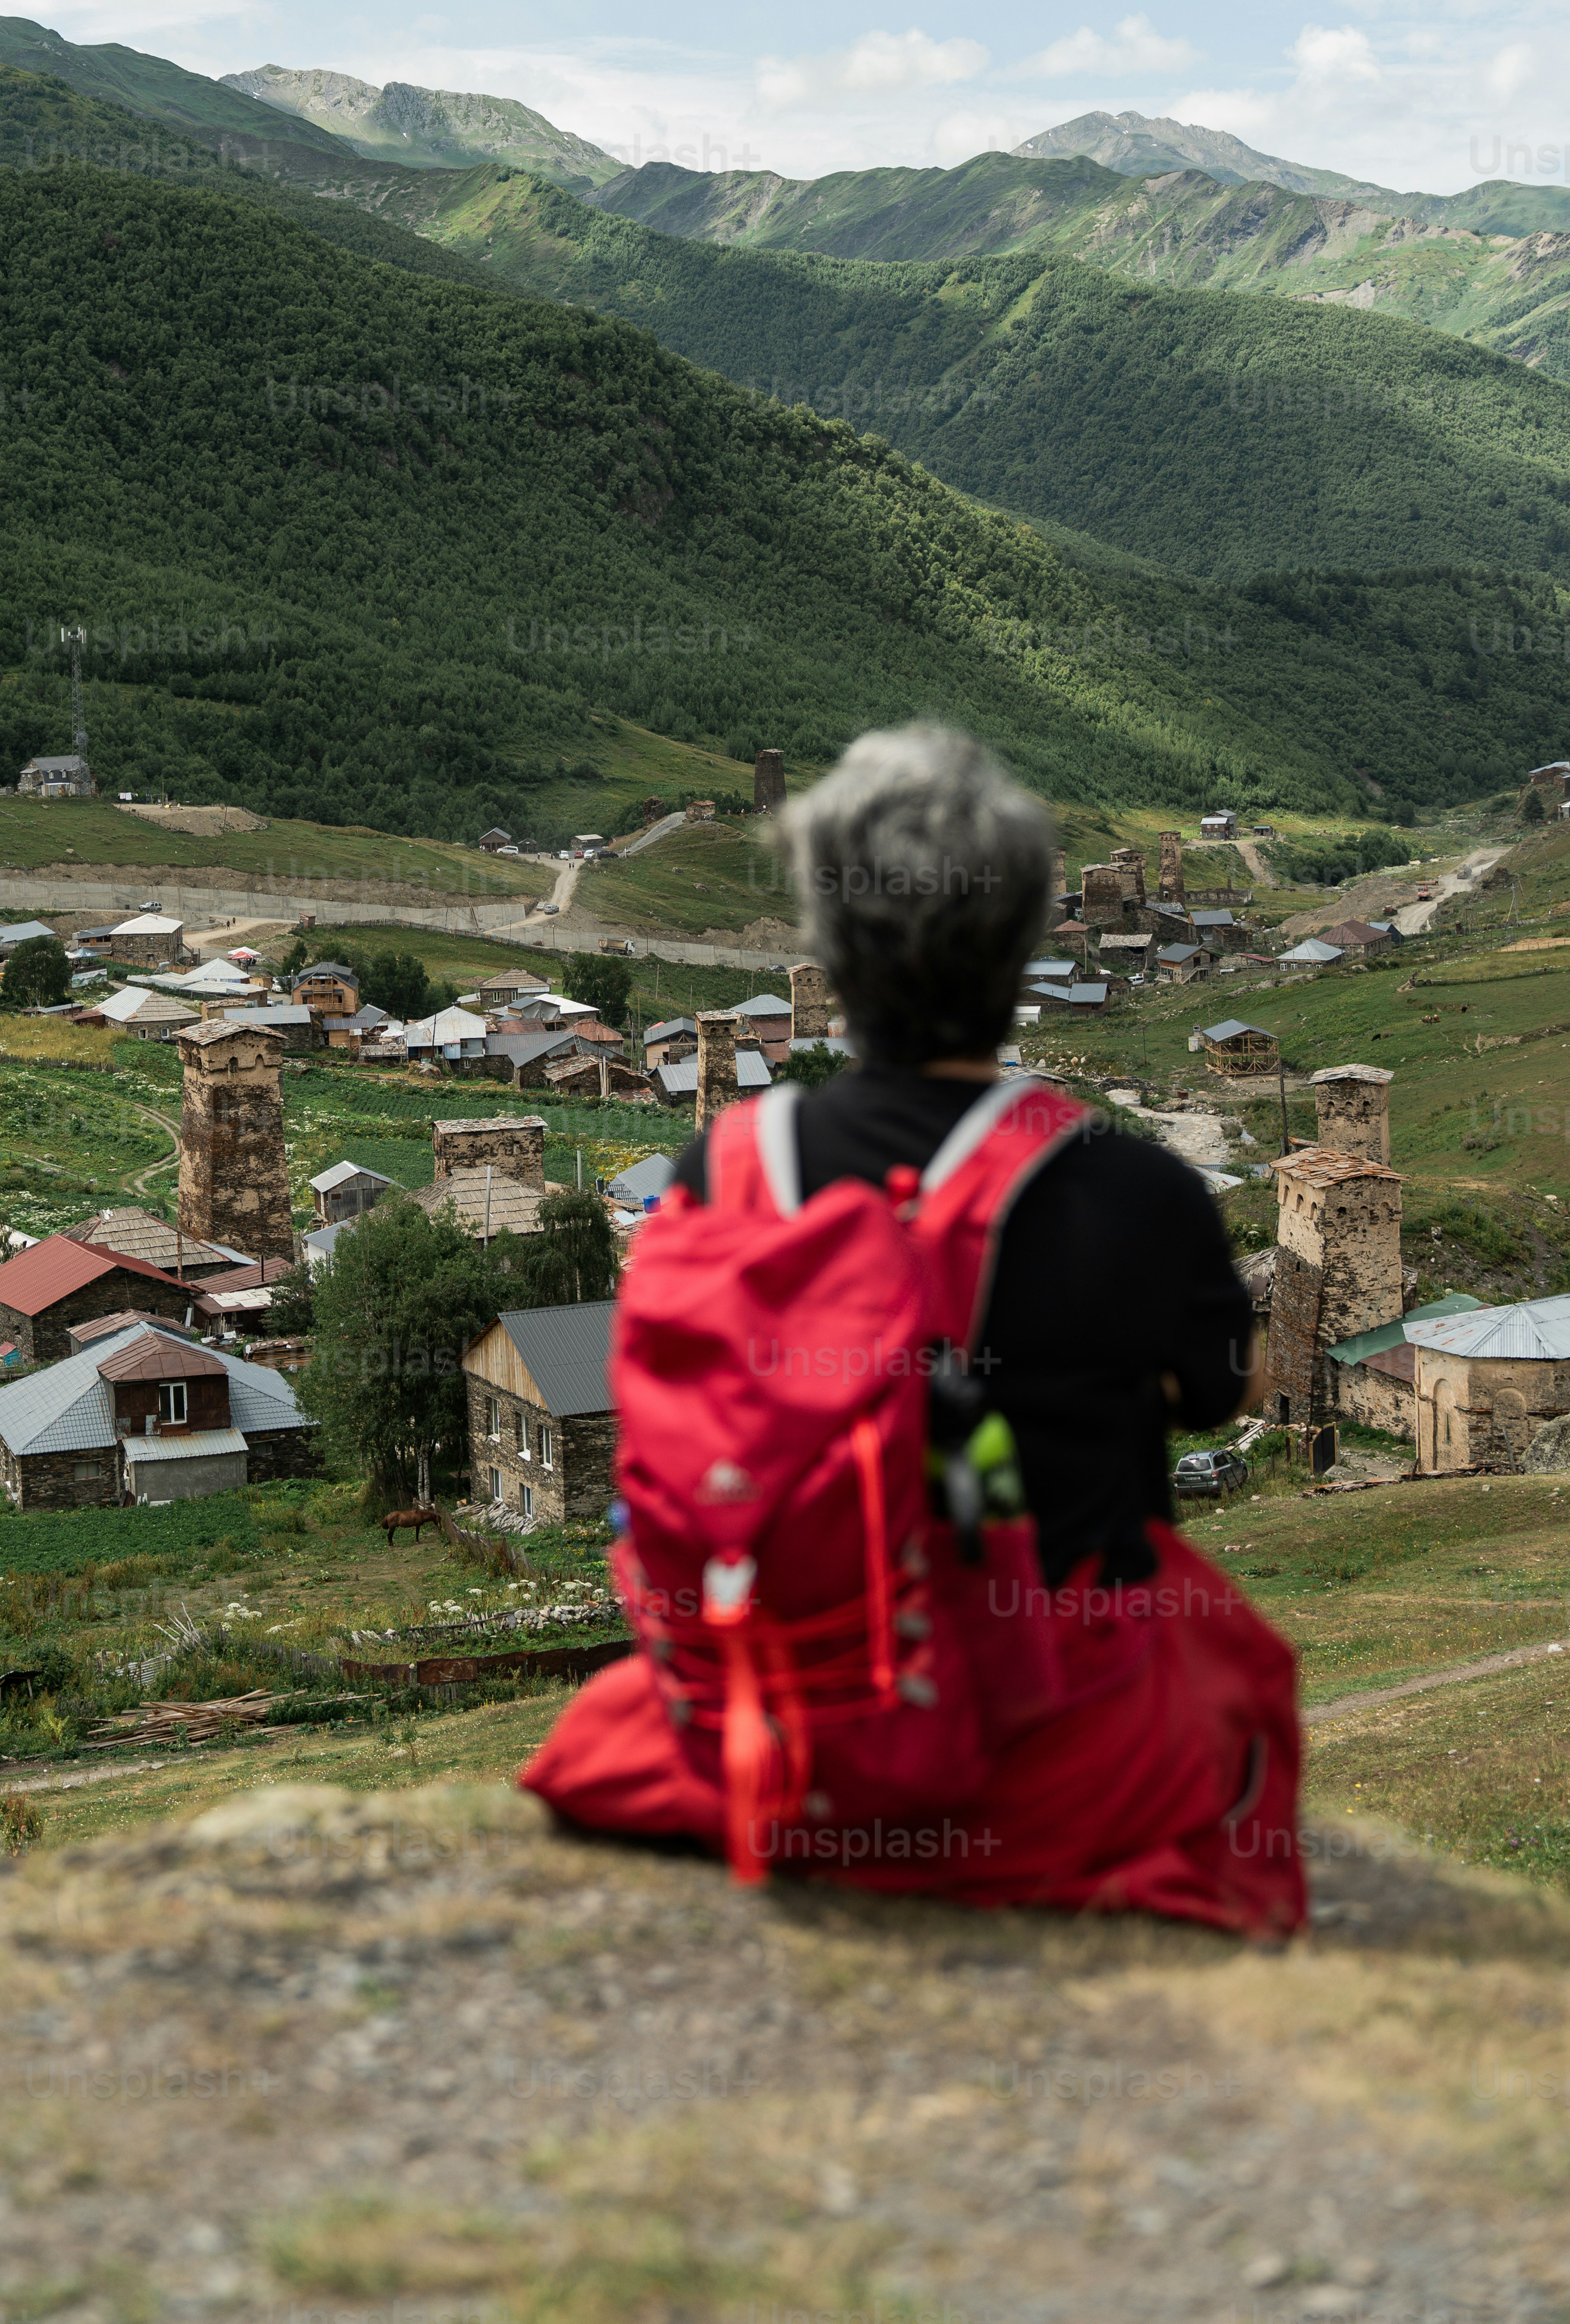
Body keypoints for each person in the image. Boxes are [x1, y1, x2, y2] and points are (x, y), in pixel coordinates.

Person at [521, 725, 1303, 1938]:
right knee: (1241, 1687)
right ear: (1025, 939)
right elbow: (1221, 1394)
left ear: (831, 950)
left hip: (777, 1729)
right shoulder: (1133, 1191)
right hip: (1048, 1757)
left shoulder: (717, 1174)